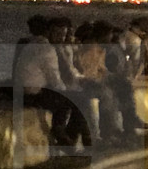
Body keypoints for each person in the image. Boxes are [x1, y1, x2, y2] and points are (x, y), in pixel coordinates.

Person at [14, 16, 91, 147]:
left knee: (75, 98)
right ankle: (68, 134)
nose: (61, 38)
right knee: (78, 100)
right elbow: (55, 80)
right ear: (48, 31)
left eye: (63, 34)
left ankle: (75, 137)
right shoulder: (47, 49)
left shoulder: (33, 44)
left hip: (23, 91)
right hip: (33, 94)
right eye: (57, 34)